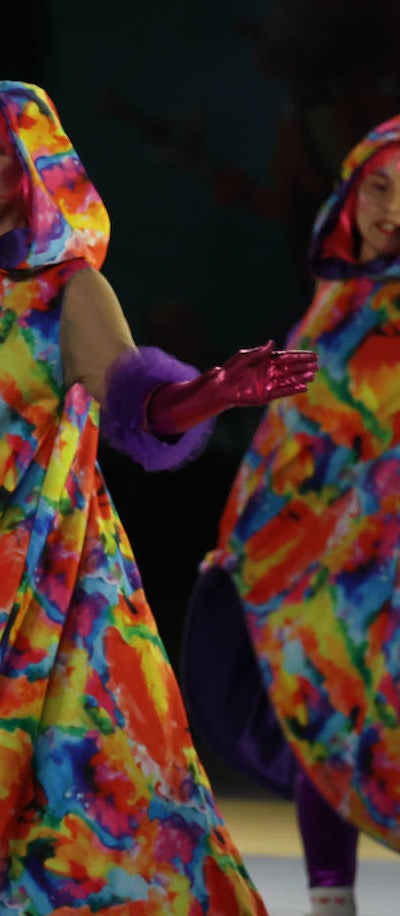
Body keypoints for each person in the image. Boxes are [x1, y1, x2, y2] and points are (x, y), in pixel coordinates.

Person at [0, 81, 318, 913]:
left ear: (33, 170)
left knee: (63, 812)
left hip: (37, 591)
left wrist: (211, 393)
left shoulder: (67, 288)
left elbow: (136, 403)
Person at [182, 113, 400, 916]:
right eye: (379, 187)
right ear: (349, 191)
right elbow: (294, 438)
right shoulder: (336, 298)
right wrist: (248, 533)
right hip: (319, 570)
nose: (391, 211)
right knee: (321, 718)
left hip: (388, 569)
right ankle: (329, 902)